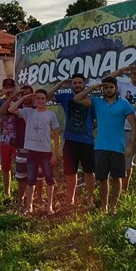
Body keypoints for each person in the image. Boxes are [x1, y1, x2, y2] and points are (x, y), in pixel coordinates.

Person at [74, 76, 136, 215]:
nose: (108, 90)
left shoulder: (124, 104)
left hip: (118, 147)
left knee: (117, 178)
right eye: (106, 87)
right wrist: (94, 87)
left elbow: (134, 125)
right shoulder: (97, 102)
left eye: (111, 87)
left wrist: (131, 145)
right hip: (100, 147)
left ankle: (114, 207)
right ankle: (104, 207)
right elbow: (77, 98)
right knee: (102, 179)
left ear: (116, 88)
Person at [47, 73, 96, 208]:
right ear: (71, 85)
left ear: (84, 84)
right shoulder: (65, 97)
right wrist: (60, 84)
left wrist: (88, 129)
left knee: (89, 171)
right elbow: (48, 96)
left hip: (87, 142)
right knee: (70, 172)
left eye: (80, 83)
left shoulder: (92, 101)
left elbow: (98, 119)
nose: (77, 85)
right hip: (70, 141)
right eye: (74, 83)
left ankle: (90, 200)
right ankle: (70, 199)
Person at [9, 89, 60, 214]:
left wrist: (55, 153)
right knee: (30, 179)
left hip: (45, 153)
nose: (40, 101)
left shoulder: (51, 115)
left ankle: (49, 207)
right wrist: (24, 97)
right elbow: (11, 109)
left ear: (46, 100)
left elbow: (56, 135)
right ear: (34, 99)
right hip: (31, 152)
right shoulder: (28, 112)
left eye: (43, 98)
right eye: (37, 98)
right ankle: (29, 206)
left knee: (49, 179)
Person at [108, 65, 136, 194]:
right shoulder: (123, 87)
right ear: (130, 75)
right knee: (126, 163)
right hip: (125, 129)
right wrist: (122, 70)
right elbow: (107, 79)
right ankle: (124, 191)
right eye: (134, 73)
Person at [0, 78, 18, 197]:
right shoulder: (0, 101)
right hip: (4, 138)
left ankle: (22, 192)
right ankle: (7, 193)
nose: (8, 88)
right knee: (6, 167)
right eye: (6, 86)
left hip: (18, 138)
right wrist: (1, 94)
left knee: (21, 166)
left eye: (11, 86)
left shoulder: (18, 100)